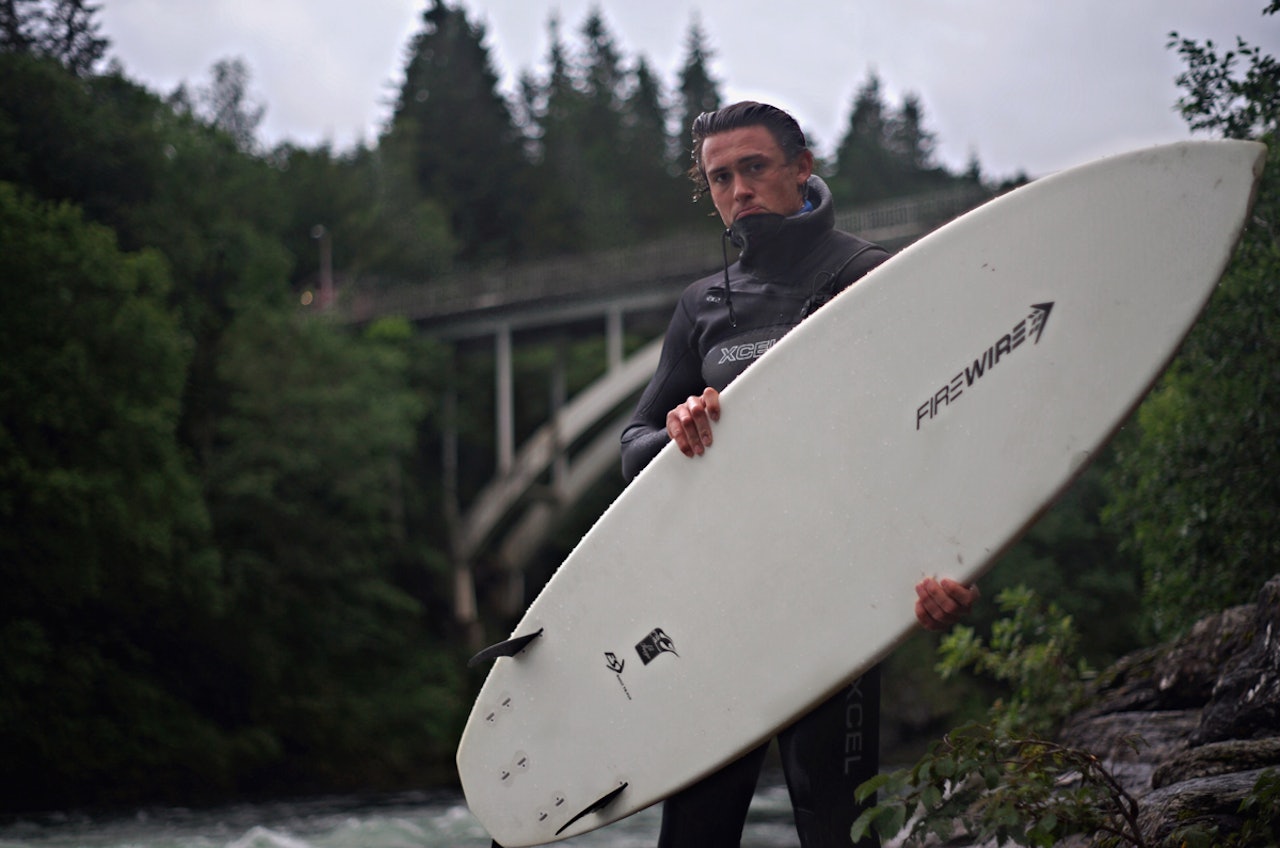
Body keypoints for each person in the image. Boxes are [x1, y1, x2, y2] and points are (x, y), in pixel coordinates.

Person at [619, 101, 979, 848]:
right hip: (720, 610)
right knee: (693, 832)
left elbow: (943, 432)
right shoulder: (702, 306)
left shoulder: (869, 278)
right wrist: (676, 433)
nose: (739, 190)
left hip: (839, 597)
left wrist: (954, 562)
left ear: (800, 168)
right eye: (721, 178)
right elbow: (631, 445)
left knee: (836, 824)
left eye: (755, 168)